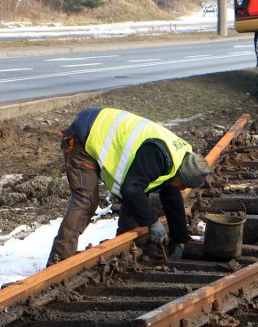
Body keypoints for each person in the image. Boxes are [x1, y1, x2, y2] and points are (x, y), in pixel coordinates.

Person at [47, 108, 211, 266]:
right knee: (86, 200)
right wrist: (153, 223)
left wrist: (180, 240)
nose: (182, 189)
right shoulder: (159, 156)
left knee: (138, 199)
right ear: (180, 175)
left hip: (100, 126)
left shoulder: (180, 160)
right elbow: (131, 190)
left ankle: (123, 253)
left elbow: (171, 198)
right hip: (84, 137)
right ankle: (58, 261)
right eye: (182, 185)